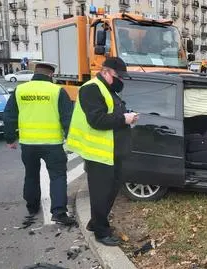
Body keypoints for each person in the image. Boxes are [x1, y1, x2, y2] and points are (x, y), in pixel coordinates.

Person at [66, 57, 138, 246]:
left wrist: (126, 115)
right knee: (101, 193)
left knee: (112, 190)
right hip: (98, 153)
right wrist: (124, 119)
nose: (121, 80)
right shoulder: (91, 88)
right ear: (105, 72)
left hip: (111, 151)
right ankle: (101, 233)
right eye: (118, 76)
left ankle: (95, 222)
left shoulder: (107, 89)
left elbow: (112, 112)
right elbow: (97, 120)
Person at [3, 61, 75, 225]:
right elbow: (67, 118)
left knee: (31, 174)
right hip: (53, 144)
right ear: (50, 74)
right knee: (57, 176)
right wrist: (71, 139)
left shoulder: (20, 90)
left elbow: (9, 115)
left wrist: (10, 139)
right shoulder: (57, 91)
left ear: (36, 73)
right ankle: (59, 212)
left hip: (28, 144)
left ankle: (32, 205)